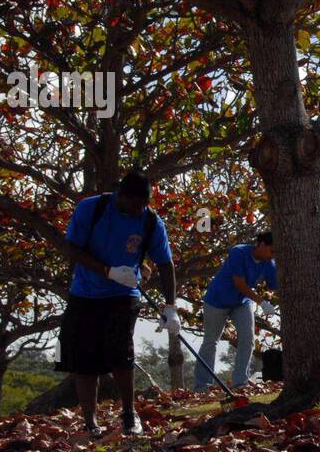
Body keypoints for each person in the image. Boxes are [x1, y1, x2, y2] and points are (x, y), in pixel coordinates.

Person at [56, 169, 179, 435]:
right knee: (84, 360)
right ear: (121, 195)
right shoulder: (92, 208)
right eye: (133, 204)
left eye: (142, 205)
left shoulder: (150, 221)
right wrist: (107, 271)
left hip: (123, 296)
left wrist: (171, 307)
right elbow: (71, 248)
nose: (138, 210)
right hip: (85, 292)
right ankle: (90, 422)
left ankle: (129, 414)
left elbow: (165, 264)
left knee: (120, 354)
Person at [195, 232, 277, 390]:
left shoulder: (268, 262)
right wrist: (261, 302)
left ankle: (240, 383)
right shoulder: (239, 252)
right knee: (211, 341)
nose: (273, 255)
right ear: (261, 244)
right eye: (272, 251)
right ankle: (202, 385)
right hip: (217, 301)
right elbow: (239, 283)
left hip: (241, 303)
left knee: (248, 338)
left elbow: (274, 285)